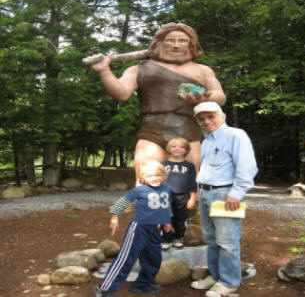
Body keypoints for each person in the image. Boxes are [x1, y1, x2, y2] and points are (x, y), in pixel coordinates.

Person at [88, 22, 226, 180]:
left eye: (182, 40)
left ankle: (188, 205)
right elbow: (122, 93)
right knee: (146, 181)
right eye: (170, 40)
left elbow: (220, 97)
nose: (176, 45)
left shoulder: (203, 70)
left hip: (188, 131)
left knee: (188, 186)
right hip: (152, 131)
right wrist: (104, 71)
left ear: (191, 44)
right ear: (159, 43)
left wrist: (206, 97)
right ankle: (137, 205)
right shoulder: (140, 68)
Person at [190, 102, 258, 297]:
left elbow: (247, 166)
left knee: (227, 242)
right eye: (201, 119)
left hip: (225, 195)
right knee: (211, 240)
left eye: (210, 116)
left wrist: (236, 193)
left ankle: (229, 282)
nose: (206, 121)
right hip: (205, 192)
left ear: (223, 116)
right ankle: (216, 276)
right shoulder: (207, 140)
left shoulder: (236, 135)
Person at [92, 161, 174, 297]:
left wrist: (167, 222)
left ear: (163, 175)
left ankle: (143, 285)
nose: (154, 178)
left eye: (158, 175)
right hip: (139, 229)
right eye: (150, 176)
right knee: (126, 258)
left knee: (153, 258)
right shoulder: (139, 190)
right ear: (143, 178)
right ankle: (104, 288)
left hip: (156, 230)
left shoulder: (166, 189)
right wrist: (114, 218)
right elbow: (121, 203)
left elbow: (165, 207)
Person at [161, 137, 197, 250]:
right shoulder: (163, 164)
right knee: (166, 217)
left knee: (180, 218)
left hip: (183, 195)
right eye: (174, 146)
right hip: (166, 196)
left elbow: (193, 182)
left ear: (186, 150)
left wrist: (192, 198)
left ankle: (178, 237)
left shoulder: (189, 166)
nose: (177, 149)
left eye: (181, 147)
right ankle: (166, 239)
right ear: (168, 148)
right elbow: (158, 179)